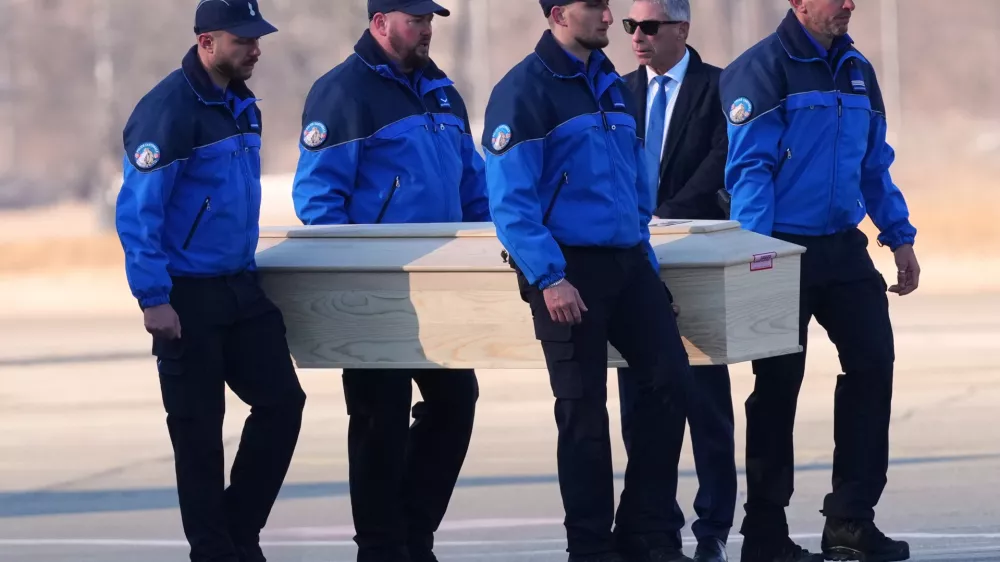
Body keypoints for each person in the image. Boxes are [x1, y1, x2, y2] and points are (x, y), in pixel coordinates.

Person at [482, 1, 693, 561]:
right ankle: (590, 547)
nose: (608, 16)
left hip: (627, 261)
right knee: (583, 411)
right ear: (557, 15)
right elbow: (510, 202)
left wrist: (646, 261)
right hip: (563, 268)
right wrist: (549, 276)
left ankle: (645, 530)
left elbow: (631, 183)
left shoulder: (611, 84)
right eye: (594, 6)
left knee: (670, 379)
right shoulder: (524, 90)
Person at [720, 1, 920, 561]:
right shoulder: (763, 68)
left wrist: (898, 236)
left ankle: (850, 521)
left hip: (841, 246)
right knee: (778, 385)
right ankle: (763, 530)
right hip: (780, 245)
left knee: (873, 362)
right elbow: (749, 170)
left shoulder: (857, 68)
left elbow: (873, 162)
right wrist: (757, 256)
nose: (849, 4)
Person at [290, 1, 486, 561]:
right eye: (415, 19)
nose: (426, 29)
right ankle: (381, 546)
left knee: (456, 402)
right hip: (377, 287)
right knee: (380, 417)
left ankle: (413, 533)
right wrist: (358, 273)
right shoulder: (343, 93)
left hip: (442, 286)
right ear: (380, 24)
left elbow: (472, 186)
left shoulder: (442, 90)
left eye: (430, 20)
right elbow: (318, 200)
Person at [114, 2, 307, 561]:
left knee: (282, 404)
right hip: (185, 295)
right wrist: (153, 296)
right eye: (243, 39)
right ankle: (215, 551)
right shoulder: (168, 110)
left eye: (257, 37)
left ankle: (236, 533)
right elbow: (139, 213)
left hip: (240, 288)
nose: (255, 48)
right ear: (207, 42)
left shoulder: (243, 105)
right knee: (198, 435)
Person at [618, 1, 735, 561]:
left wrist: (664, 214)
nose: (638, 37)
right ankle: (653, 521)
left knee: (706, 398)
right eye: (630, 27)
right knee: (639, 396)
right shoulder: (617, 91)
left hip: (695, 253)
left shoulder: (719, 88)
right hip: (632, 259)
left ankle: (712, 525)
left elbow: (723, 160)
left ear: (682, 30)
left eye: (650, 27)